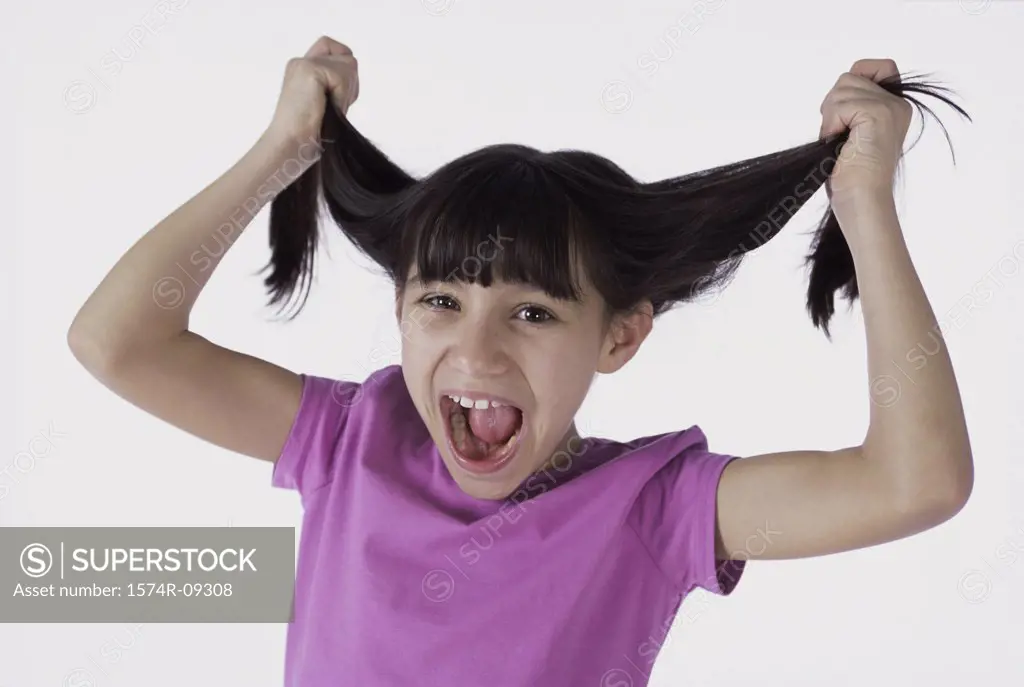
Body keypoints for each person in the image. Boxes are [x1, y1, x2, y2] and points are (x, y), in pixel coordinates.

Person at [67, 35, 974, 687]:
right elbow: (118, 342)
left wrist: (863, 203)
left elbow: (916, 481)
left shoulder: (651, 507)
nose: (476, 348)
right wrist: (283, 152)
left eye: (533, 311)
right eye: (441, 302)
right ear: (400, 312)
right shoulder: (349, 441)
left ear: (618, 336)